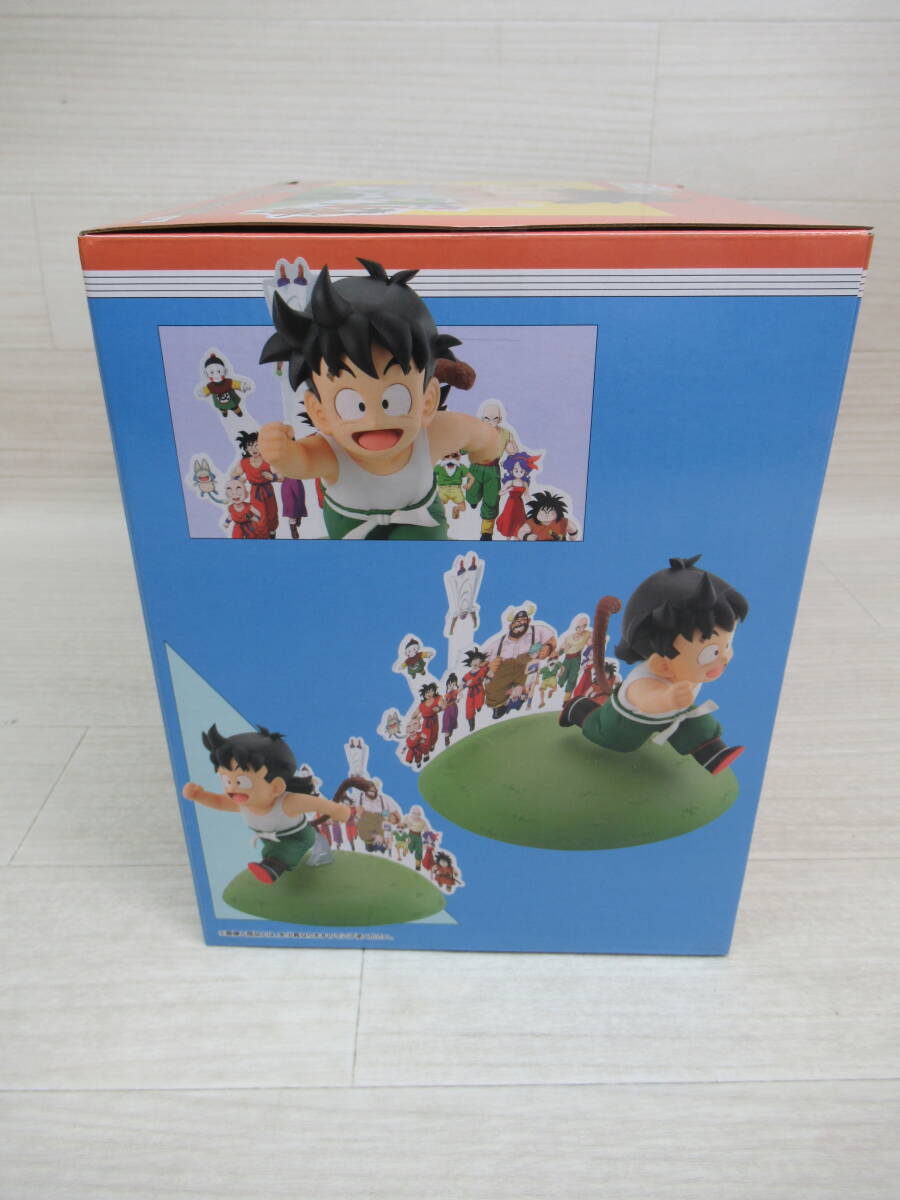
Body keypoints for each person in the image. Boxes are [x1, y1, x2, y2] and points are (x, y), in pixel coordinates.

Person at [258, 259, 501, 540]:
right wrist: (281, 454)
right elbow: (301, 462)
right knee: (351, 561)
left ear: (427, 401)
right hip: (349, 525)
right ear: (320, 412)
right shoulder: (330, 451)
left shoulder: (433, 434)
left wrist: (487, 452)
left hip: (420, 520)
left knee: (418, 551)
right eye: (352, 404)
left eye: (394, 400)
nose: (374, 421)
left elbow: (479, 435)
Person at [561, 556, 748, 775]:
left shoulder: (684, 670)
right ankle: (579, 709)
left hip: (675, 711)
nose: (724, 658)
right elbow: (646, 699)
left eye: (727, 645)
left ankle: (712, 754)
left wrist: (674, 702)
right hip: (629, 721)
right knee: (616, 740)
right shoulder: (642, 681)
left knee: (698, 723)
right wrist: (667, 699)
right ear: (662, 665)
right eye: (711, 653)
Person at [182, 724, 358, 884]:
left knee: (283, 852)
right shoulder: (243, 802)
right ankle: (272, 864)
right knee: (271, 851)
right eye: (227, 780)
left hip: (297, 837)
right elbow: (220, 802)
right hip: (270, 838)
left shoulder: (287, 803)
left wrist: (339, 811)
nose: (232, 788)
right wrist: (200, 795)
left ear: (276, 787)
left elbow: (317, 804)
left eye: (241, 782)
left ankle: (272, 869)